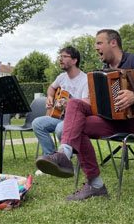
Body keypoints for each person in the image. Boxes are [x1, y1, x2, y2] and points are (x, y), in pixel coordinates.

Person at [35, 29, 134, 201]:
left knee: (76, 124)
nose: (96, 48)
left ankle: (87, 177)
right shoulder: (104, 70)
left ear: (113, 43)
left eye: (99, 43)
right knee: (75, 106)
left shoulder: (132, 60)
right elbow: (100, 103)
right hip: (111, 120)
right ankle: (84, 173)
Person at [33, 46, 88, 175]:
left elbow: (86, 102)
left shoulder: (85, 80)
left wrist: (69, 103)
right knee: (37, 123)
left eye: (64, 56)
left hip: (74, 119)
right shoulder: (62, 77)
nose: (60, 59)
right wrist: (50, 97)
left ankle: (63, 160)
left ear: (74, 60)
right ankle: (50, 159)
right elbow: (51, 88)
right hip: (59, 116)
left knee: (60, 128)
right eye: (60, 56)